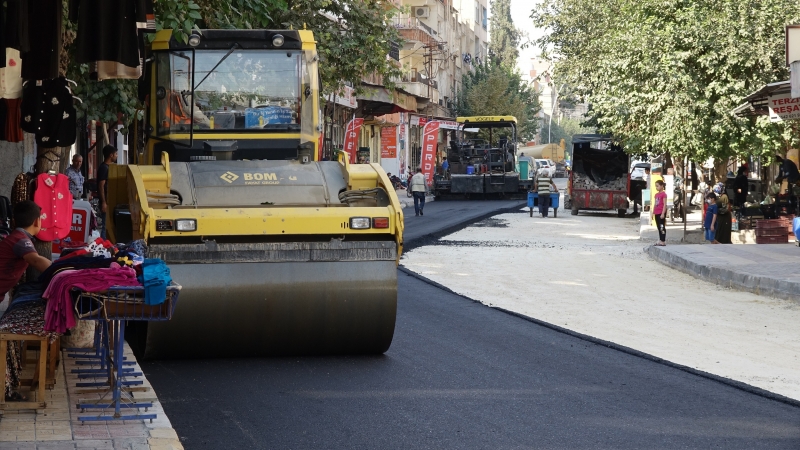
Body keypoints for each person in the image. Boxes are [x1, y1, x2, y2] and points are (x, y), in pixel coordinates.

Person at [0, 201, 52, 301]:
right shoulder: (21, 240)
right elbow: (36, 260)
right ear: (37, 221)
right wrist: (60, 272)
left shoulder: (17, 237)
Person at [97, 145, 118, 239]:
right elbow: (101, 185)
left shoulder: (109, 167)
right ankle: (103, 245)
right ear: (111, 155)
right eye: (116, 154)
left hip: (110, 201)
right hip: (105, 202)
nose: (117, 156)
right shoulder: (104, 168)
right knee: (105, 226)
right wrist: (104, 202)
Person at [652, 179, 667, 246]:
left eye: (657, 186)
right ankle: (660, 239)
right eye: (656, 186)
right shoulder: (656, 195)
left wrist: (663, 213)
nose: (656, 187)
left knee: (662, 227)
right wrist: (653, 212)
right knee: (658, 227)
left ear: (661, 186)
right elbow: (655, 204)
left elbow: (664, 204)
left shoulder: (664, 194)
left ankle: (663, 240)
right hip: (656, 212)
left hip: (661, 212)